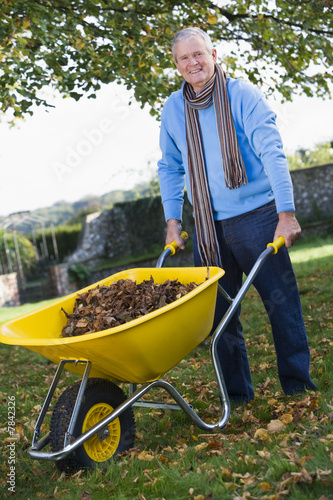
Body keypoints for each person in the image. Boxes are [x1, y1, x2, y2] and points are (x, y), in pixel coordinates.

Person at [157, 27, 318, 402]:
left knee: (282, 305)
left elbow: (272, 152)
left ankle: (297, 387)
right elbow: (170, 167)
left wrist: (286, 213)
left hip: (258, 218)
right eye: (184, 57)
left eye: (199, 54)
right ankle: (238, 395)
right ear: (177, 64)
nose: (193, 63)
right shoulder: (173, 109)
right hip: (209, 229)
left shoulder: (241, 95)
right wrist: (173, 222)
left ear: (214, 54)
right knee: (219, 316)